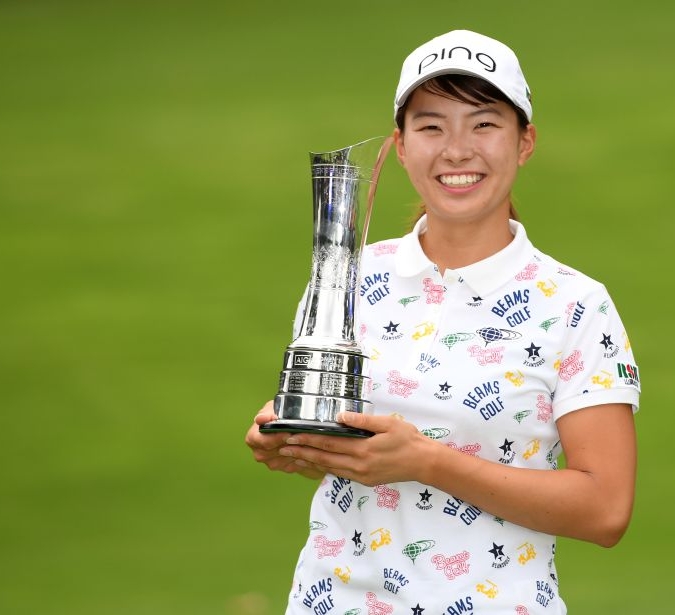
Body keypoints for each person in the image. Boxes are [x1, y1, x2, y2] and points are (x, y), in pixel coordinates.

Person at [246, 29, 641, 614]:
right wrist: (294, 441)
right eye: (432, 126)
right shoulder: (349, 279)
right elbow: (339, 437)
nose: (457, 150)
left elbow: (605, 510)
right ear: (401, 146)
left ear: (524, 142)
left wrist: (428, 463)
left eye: (483, 124)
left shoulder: (574, 305)